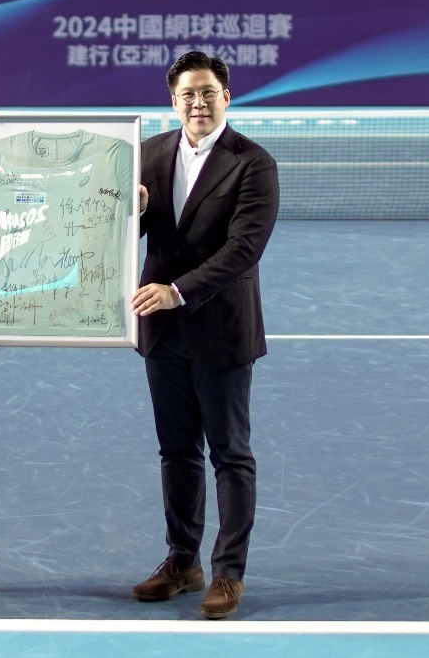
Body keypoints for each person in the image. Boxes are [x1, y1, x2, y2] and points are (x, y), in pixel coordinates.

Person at [129, 51, 279, 622]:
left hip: (221, 329)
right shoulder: (148, 154)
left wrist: (177, 290)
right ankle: (182, 562)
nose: (198, 102)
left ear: (226, 97)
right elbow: (125, 231)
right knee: (177, 451)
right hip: (161, 331)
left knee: (230, 454)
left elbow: (244, 249)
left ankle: (228, 573)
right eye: (188, 94)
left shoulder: (253, 164)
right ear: (174, 101)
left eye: (208, 92)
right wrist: (131, 213)